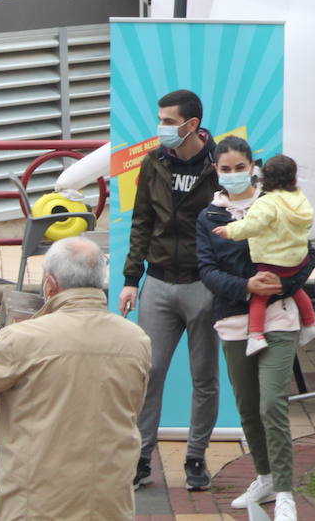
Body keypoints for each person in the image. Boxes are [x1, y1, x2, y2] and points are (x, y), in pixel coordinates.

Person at [0, 237, 151, 521]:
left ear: (50, 285)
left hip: (35, 507)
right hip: (111, 504)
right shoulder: (136, 340)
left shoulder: (22, 339)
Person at [197, 136, 315, 521]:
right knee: (248, 408)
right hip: (234, 320)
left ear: (254, 166)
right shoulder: (209, 217)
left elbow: (307, 253)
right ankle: (264, 476)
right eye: (225, 168)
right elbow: (207, 271)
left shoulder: (278, 201)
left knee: (272, 404)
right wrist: (244, 286)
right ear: (216, 170)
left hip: (279, 317)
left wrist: (286, 285)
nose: (233, 175)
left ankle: (285, 492)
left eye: (239, 167)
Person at [119, 87, 221, 491]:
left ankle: (196, 458)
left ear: (191, 125)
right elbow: (141, 221)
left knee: (204, 377)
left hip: (204, 285)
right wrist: (131, 279)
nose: (160, 128)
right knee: (149, 372)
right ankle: (141, 458)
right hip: (158, 283)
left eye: (167, 121)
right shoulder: (152, 162)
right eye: (159, 119)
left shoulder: (220, 165)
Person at [212, 154, 315, 356]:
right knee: (295, 289)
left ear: (263, 180)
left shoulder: (266, 203)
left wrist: (230, 231)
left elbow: (251, 225)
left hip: (272, 261)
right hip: (297, 260)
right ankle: (311, 322)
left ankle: (255, 335)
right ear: (294, 180)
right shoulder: (300, 199)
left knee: (260, 295)